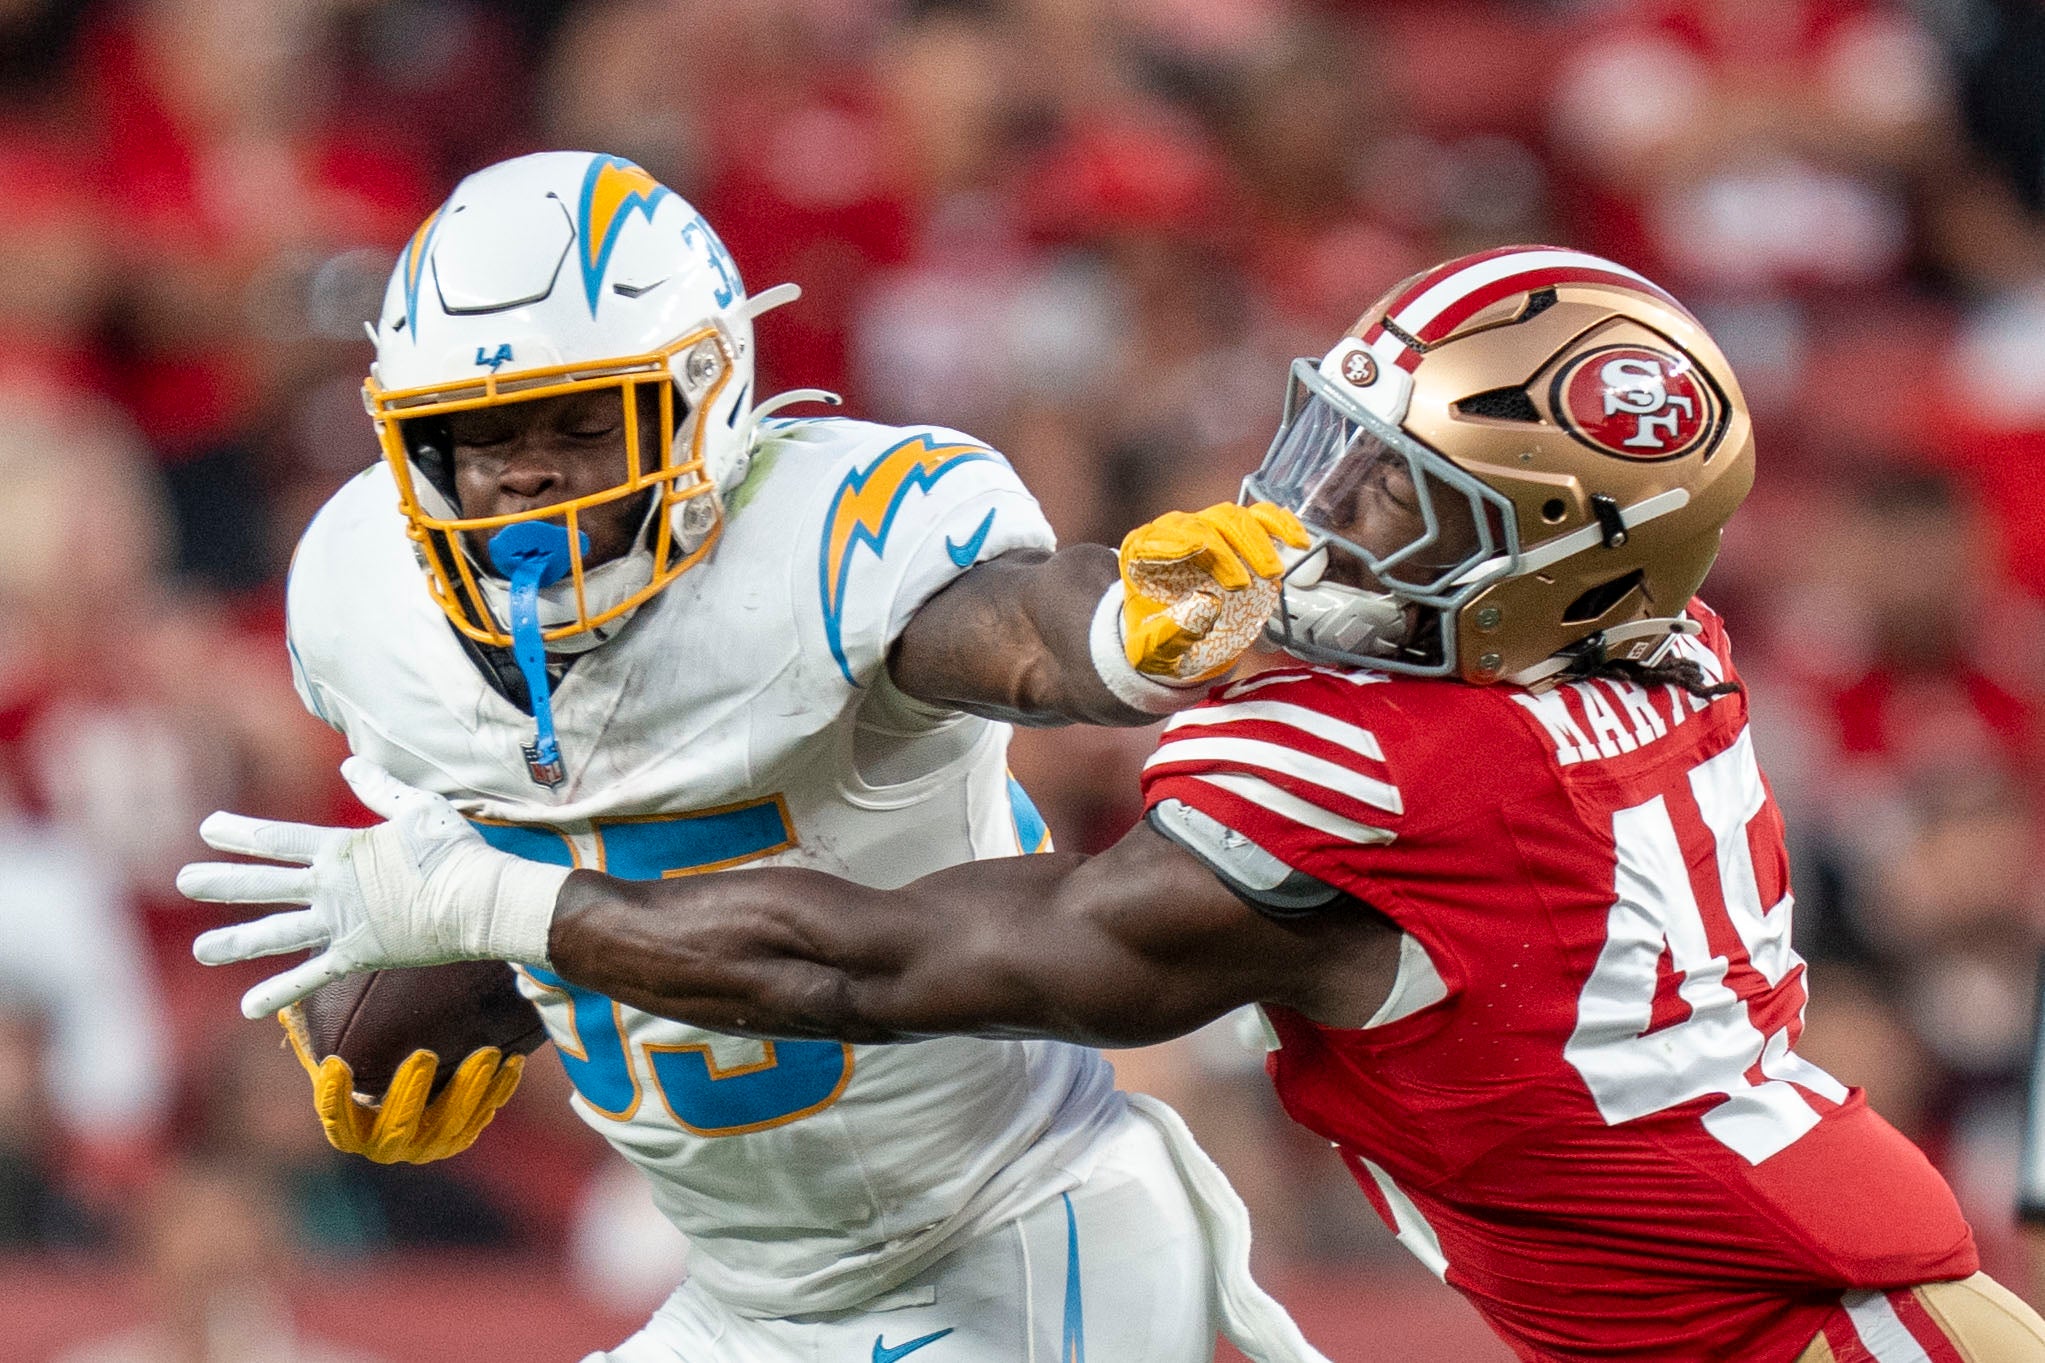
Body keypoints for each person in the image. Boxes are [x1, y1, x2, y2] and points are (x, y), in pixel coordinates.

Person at [187, 245, 2045, 1360]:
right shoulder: (1653, 637)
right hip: (1771, 1277)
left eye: (1407, 506)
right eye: (1343, 450)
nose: (1330, 516)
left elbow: (888, 961)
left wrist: (508, 904)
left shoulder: (1398, 773)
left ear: (1551, 569)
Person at [185, 149, 1330, 1363]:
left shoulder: (825, 540)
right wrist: (465, 984)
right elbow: (527, 884)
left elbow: (1008, 628)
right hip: (745, 1291)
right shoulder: (366, 602)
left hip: (1006, 1233)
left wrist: (1110, 632)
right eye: (478, 437)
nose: (525, 472)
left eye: (581, 424)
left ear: (703, 398)